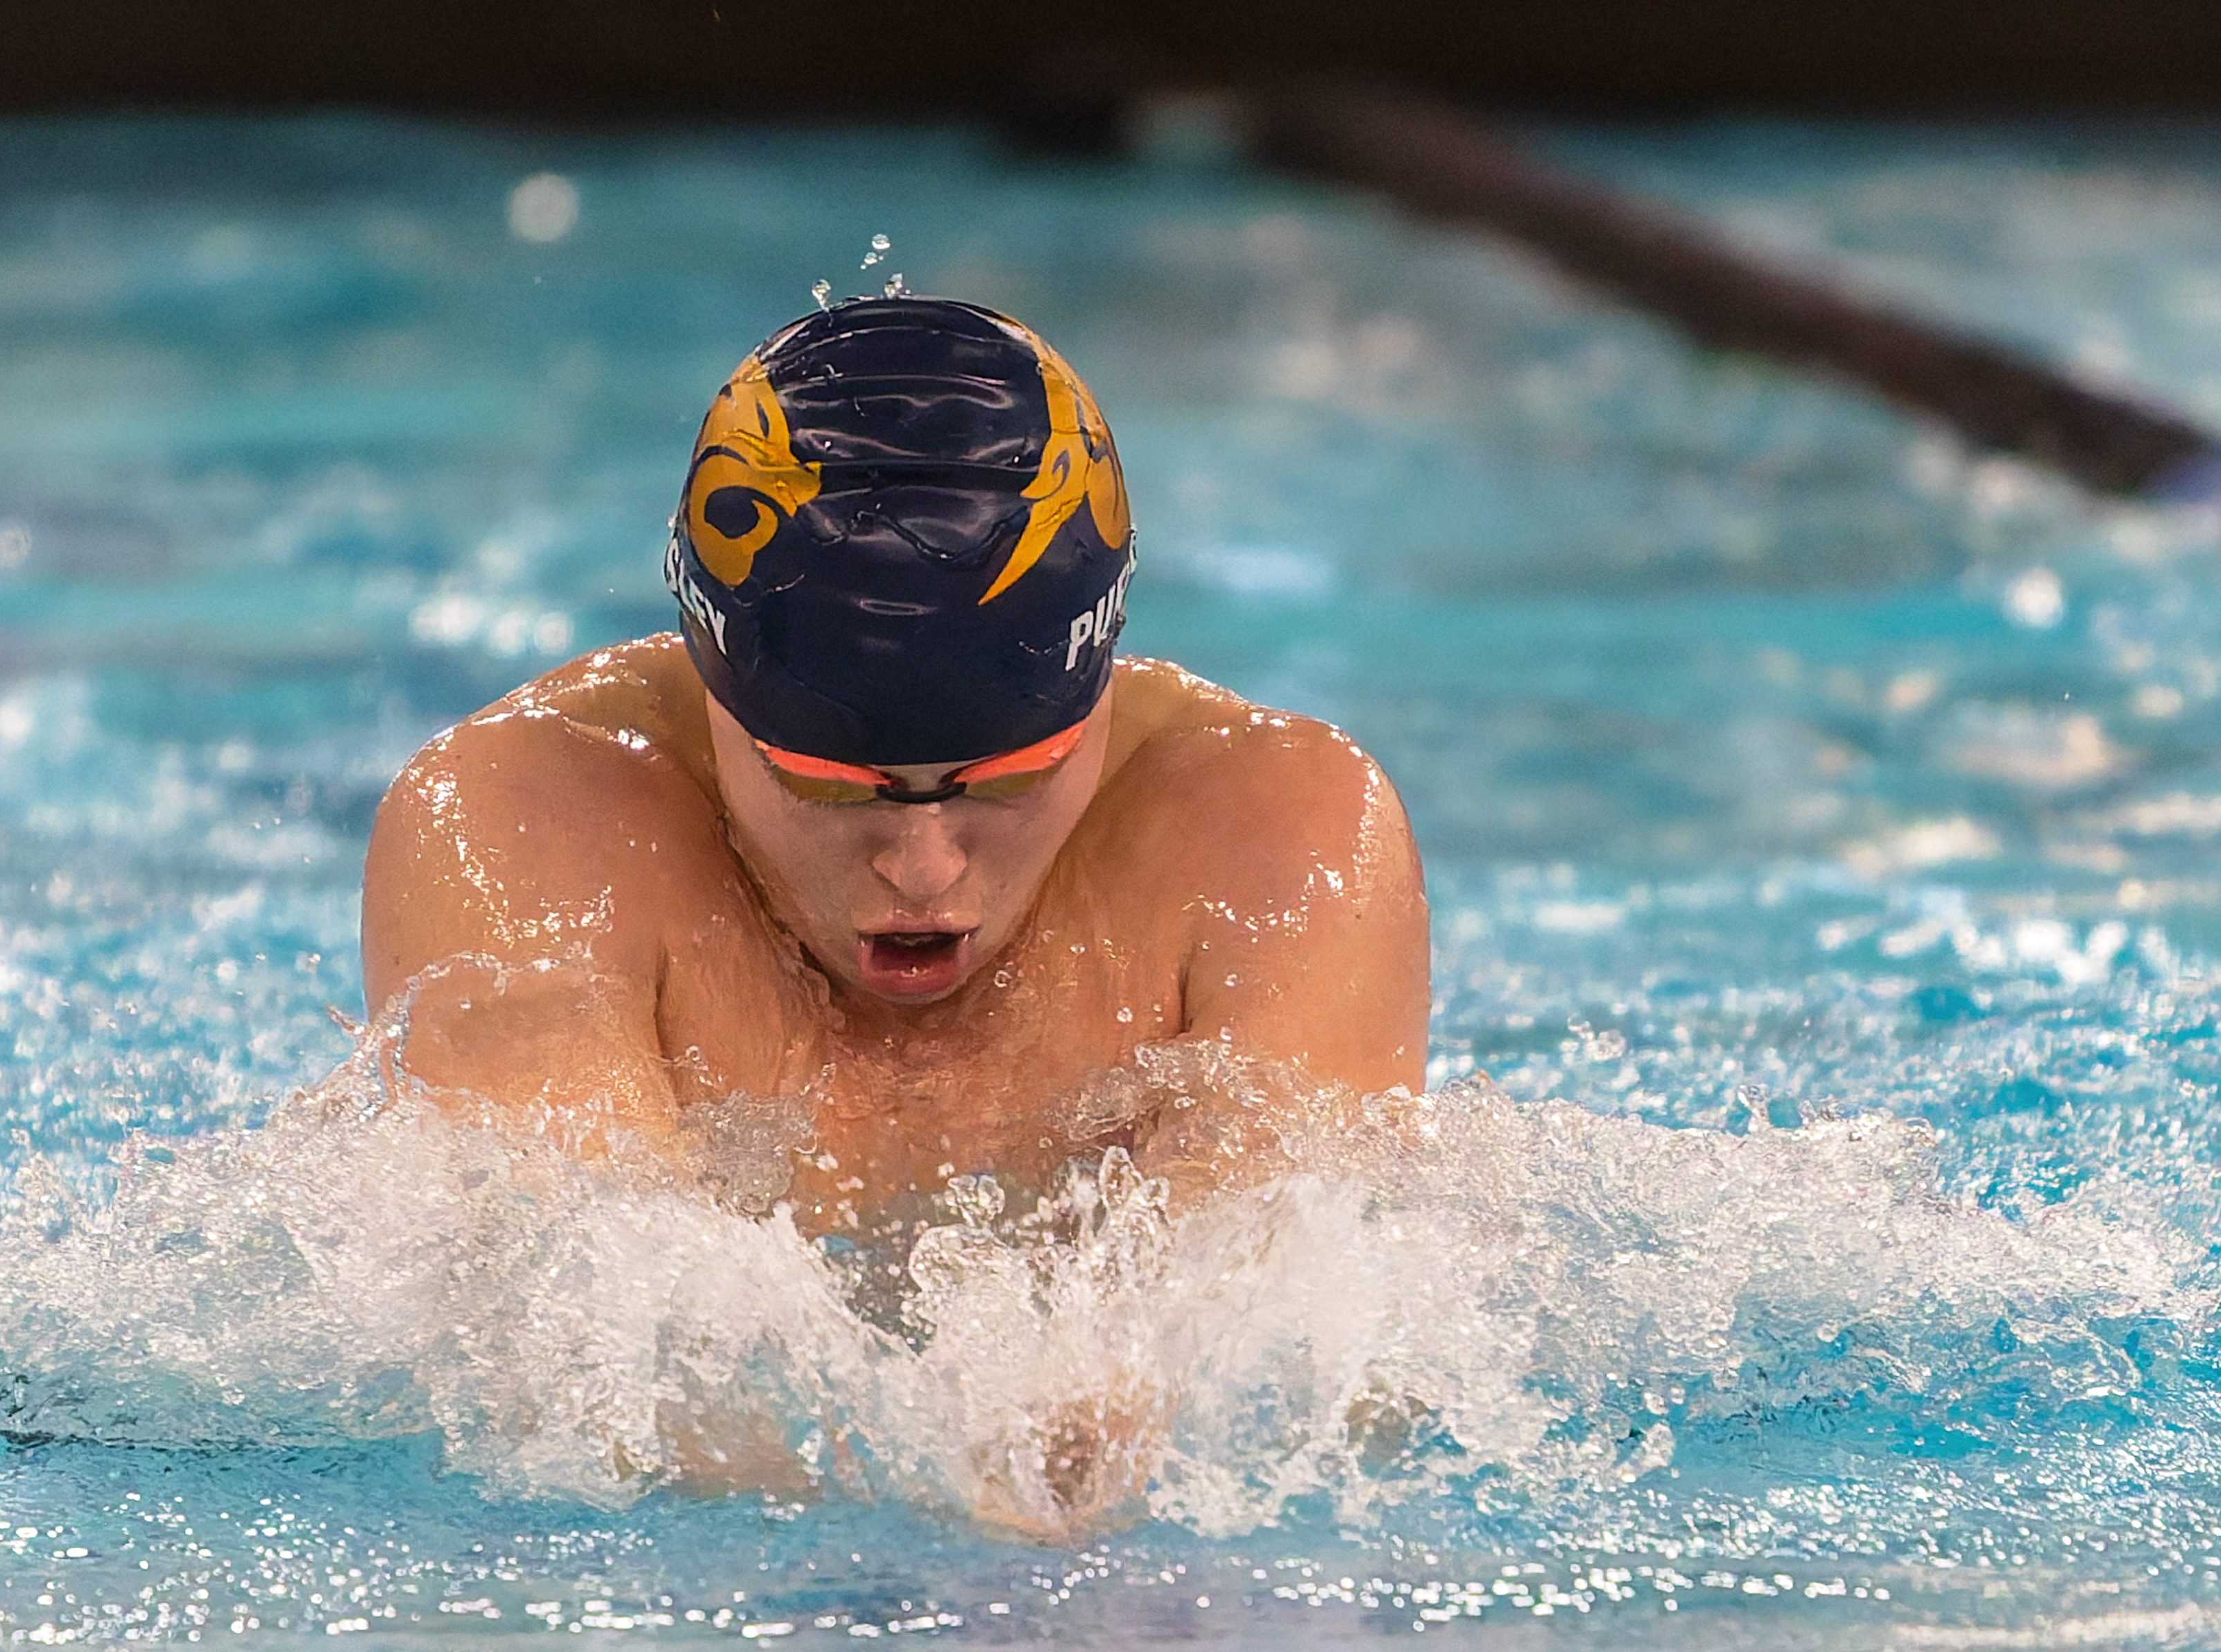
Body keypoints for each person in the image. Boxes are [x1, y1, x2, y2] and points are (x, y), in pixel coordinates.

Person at [361, 296, 1429, 1247]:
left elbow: (1242, 1351)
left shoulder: (1283, 836)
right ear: (713, 693)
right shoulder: (522, 824)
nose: (923, 869)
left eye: (1008, 777)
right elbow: (597, 1372)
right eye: (831, 784)